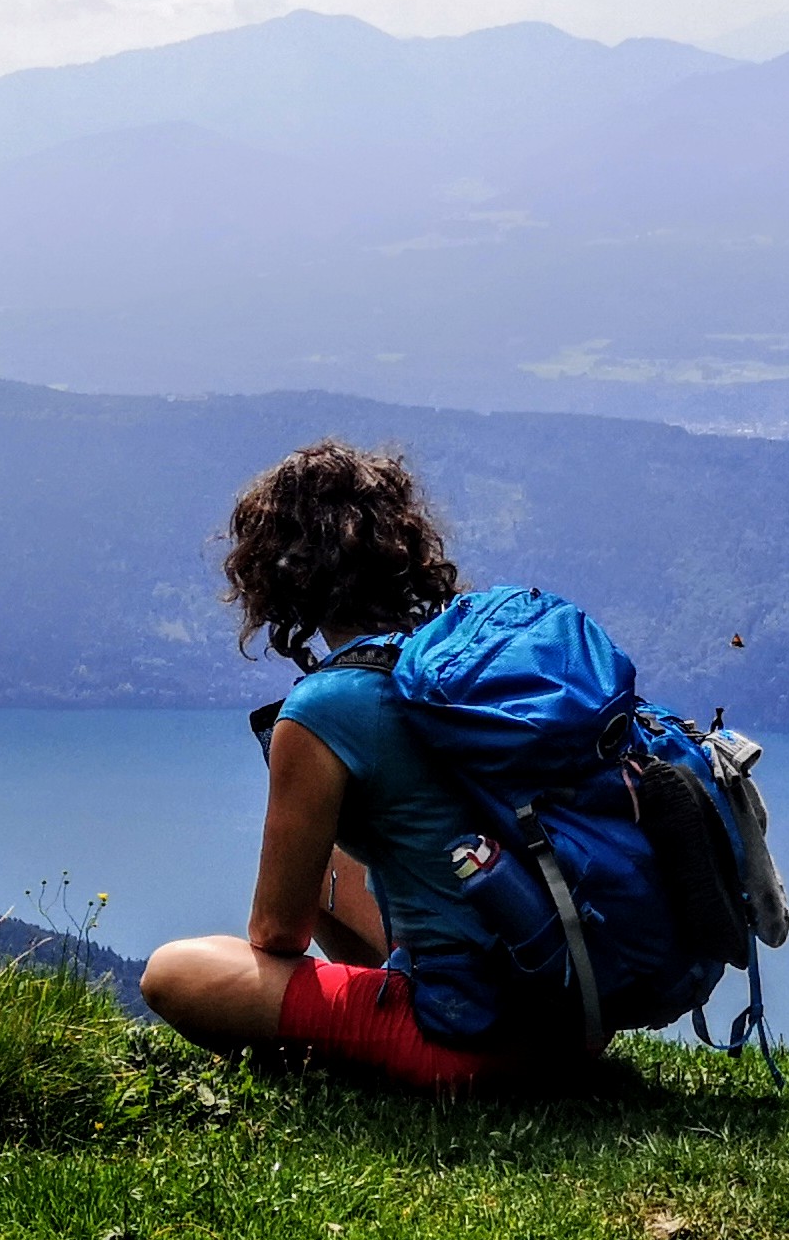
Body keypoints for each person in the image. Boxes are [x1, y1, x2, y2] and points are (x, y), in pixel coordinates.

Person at [139, 438, 559, 1091]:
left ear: (278, 573)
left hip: (477, 1044)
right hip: (571, 1015)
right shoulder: (458, 663)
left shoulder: (325, 704)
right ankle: (397, 1001)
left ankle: (394, 1033)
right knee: (333, 859)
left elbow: (277, 932)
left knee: (173, 971)